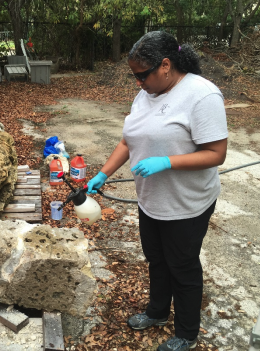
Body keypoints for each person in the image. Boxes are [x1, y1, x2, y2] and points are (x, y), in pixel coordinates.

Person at [87, 31, 228, 351]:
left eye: (142, 75)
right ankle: (157, 313)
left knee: (183, 266)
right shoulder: (146, 94)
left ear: (165, 65)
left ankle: (187, 333)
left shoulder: (202, 95)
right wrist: (103, 173)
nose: (138, 83)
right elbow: (128, 140)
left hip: (187, 203)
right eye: (134, 76)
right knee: (157, 260)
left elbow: (216, 154)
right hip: (151, 200)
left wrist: (167, 161)